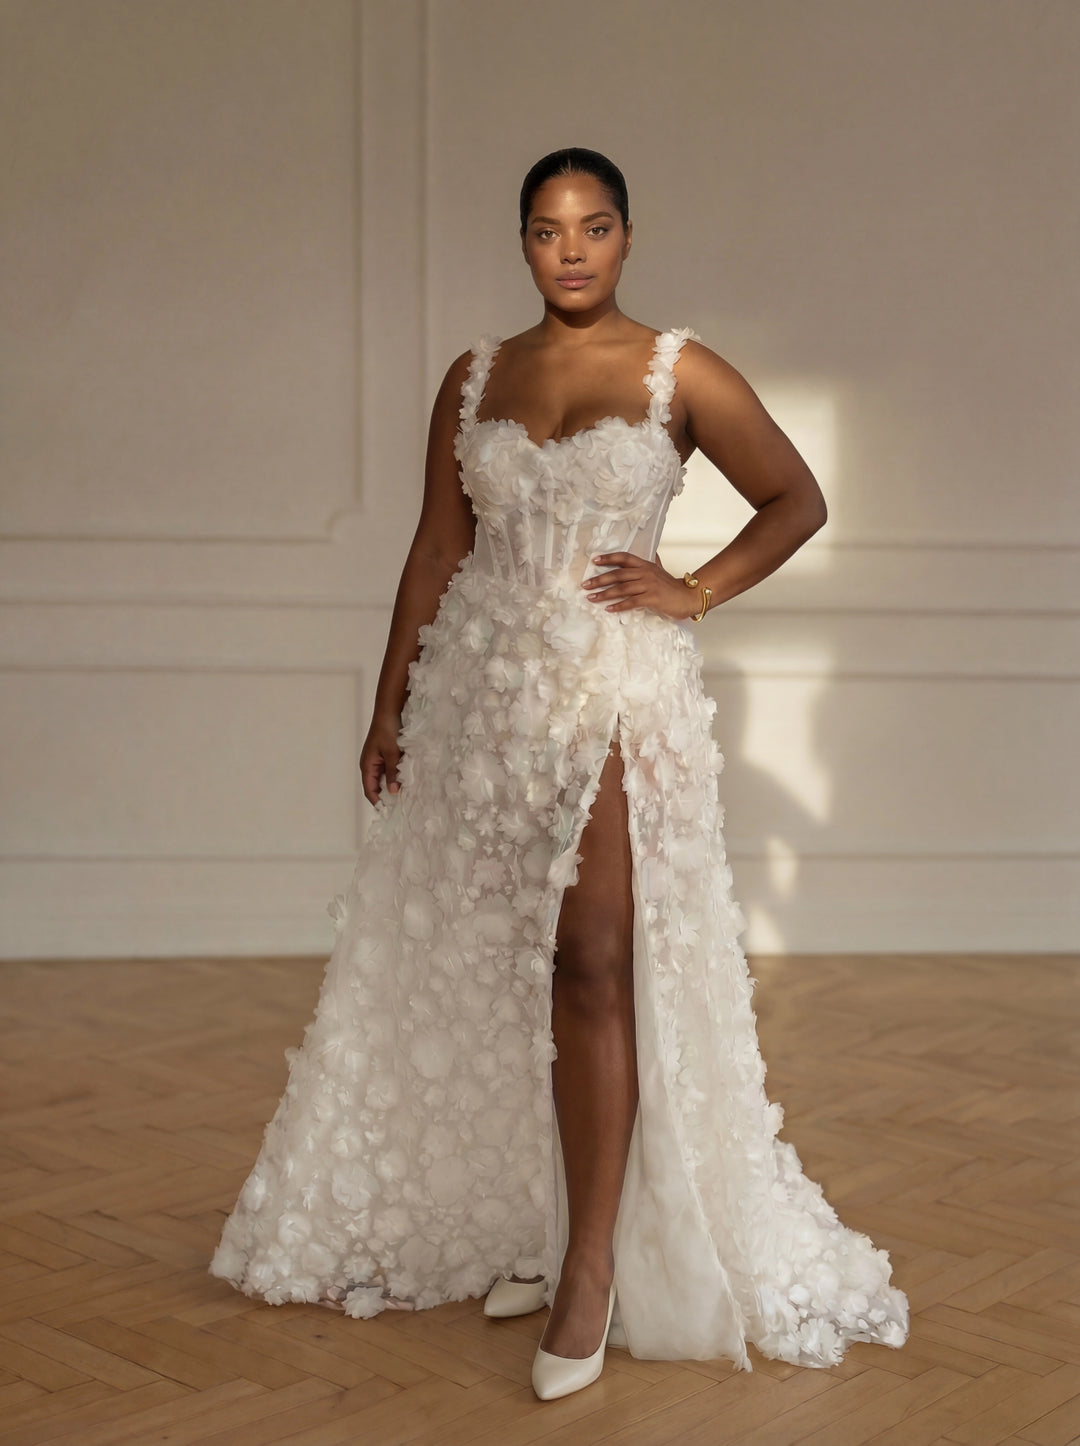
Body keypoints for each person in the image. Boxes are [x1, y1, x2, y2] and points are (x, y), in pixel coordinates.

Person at [209, 146, 909, 1402]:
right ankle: (547, 1224)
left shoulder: (677, 368)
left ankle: (592, 1265)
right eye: (546, 229)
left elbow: (795, 499)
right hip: (482, 697)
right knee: (514, 966)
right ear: (522, 243)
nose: (570, 248)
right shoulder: (475, 375)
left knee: (593, 959)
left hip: (614, 695)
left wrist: (692, 591)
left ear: (628, 238)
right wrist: (389, 705)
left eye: (593, 227)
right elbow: (437, 542)